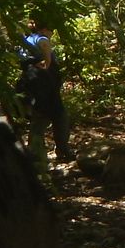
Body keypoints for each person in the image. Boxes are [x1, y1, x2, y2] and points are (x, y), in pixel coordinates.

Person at [17, 19, 74, 166]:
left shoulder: (25, 41)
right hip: (46, 85)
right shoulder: (42, 39)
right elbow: (47, 64)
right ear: (44, 29)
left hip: (31, 83)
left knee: (39, 117)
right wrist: (45, 65)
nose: (52, 33)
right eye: (51, 30)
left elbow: (23, 62)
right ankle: (62, 150)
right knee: (59, 116)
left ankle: (35, 153)